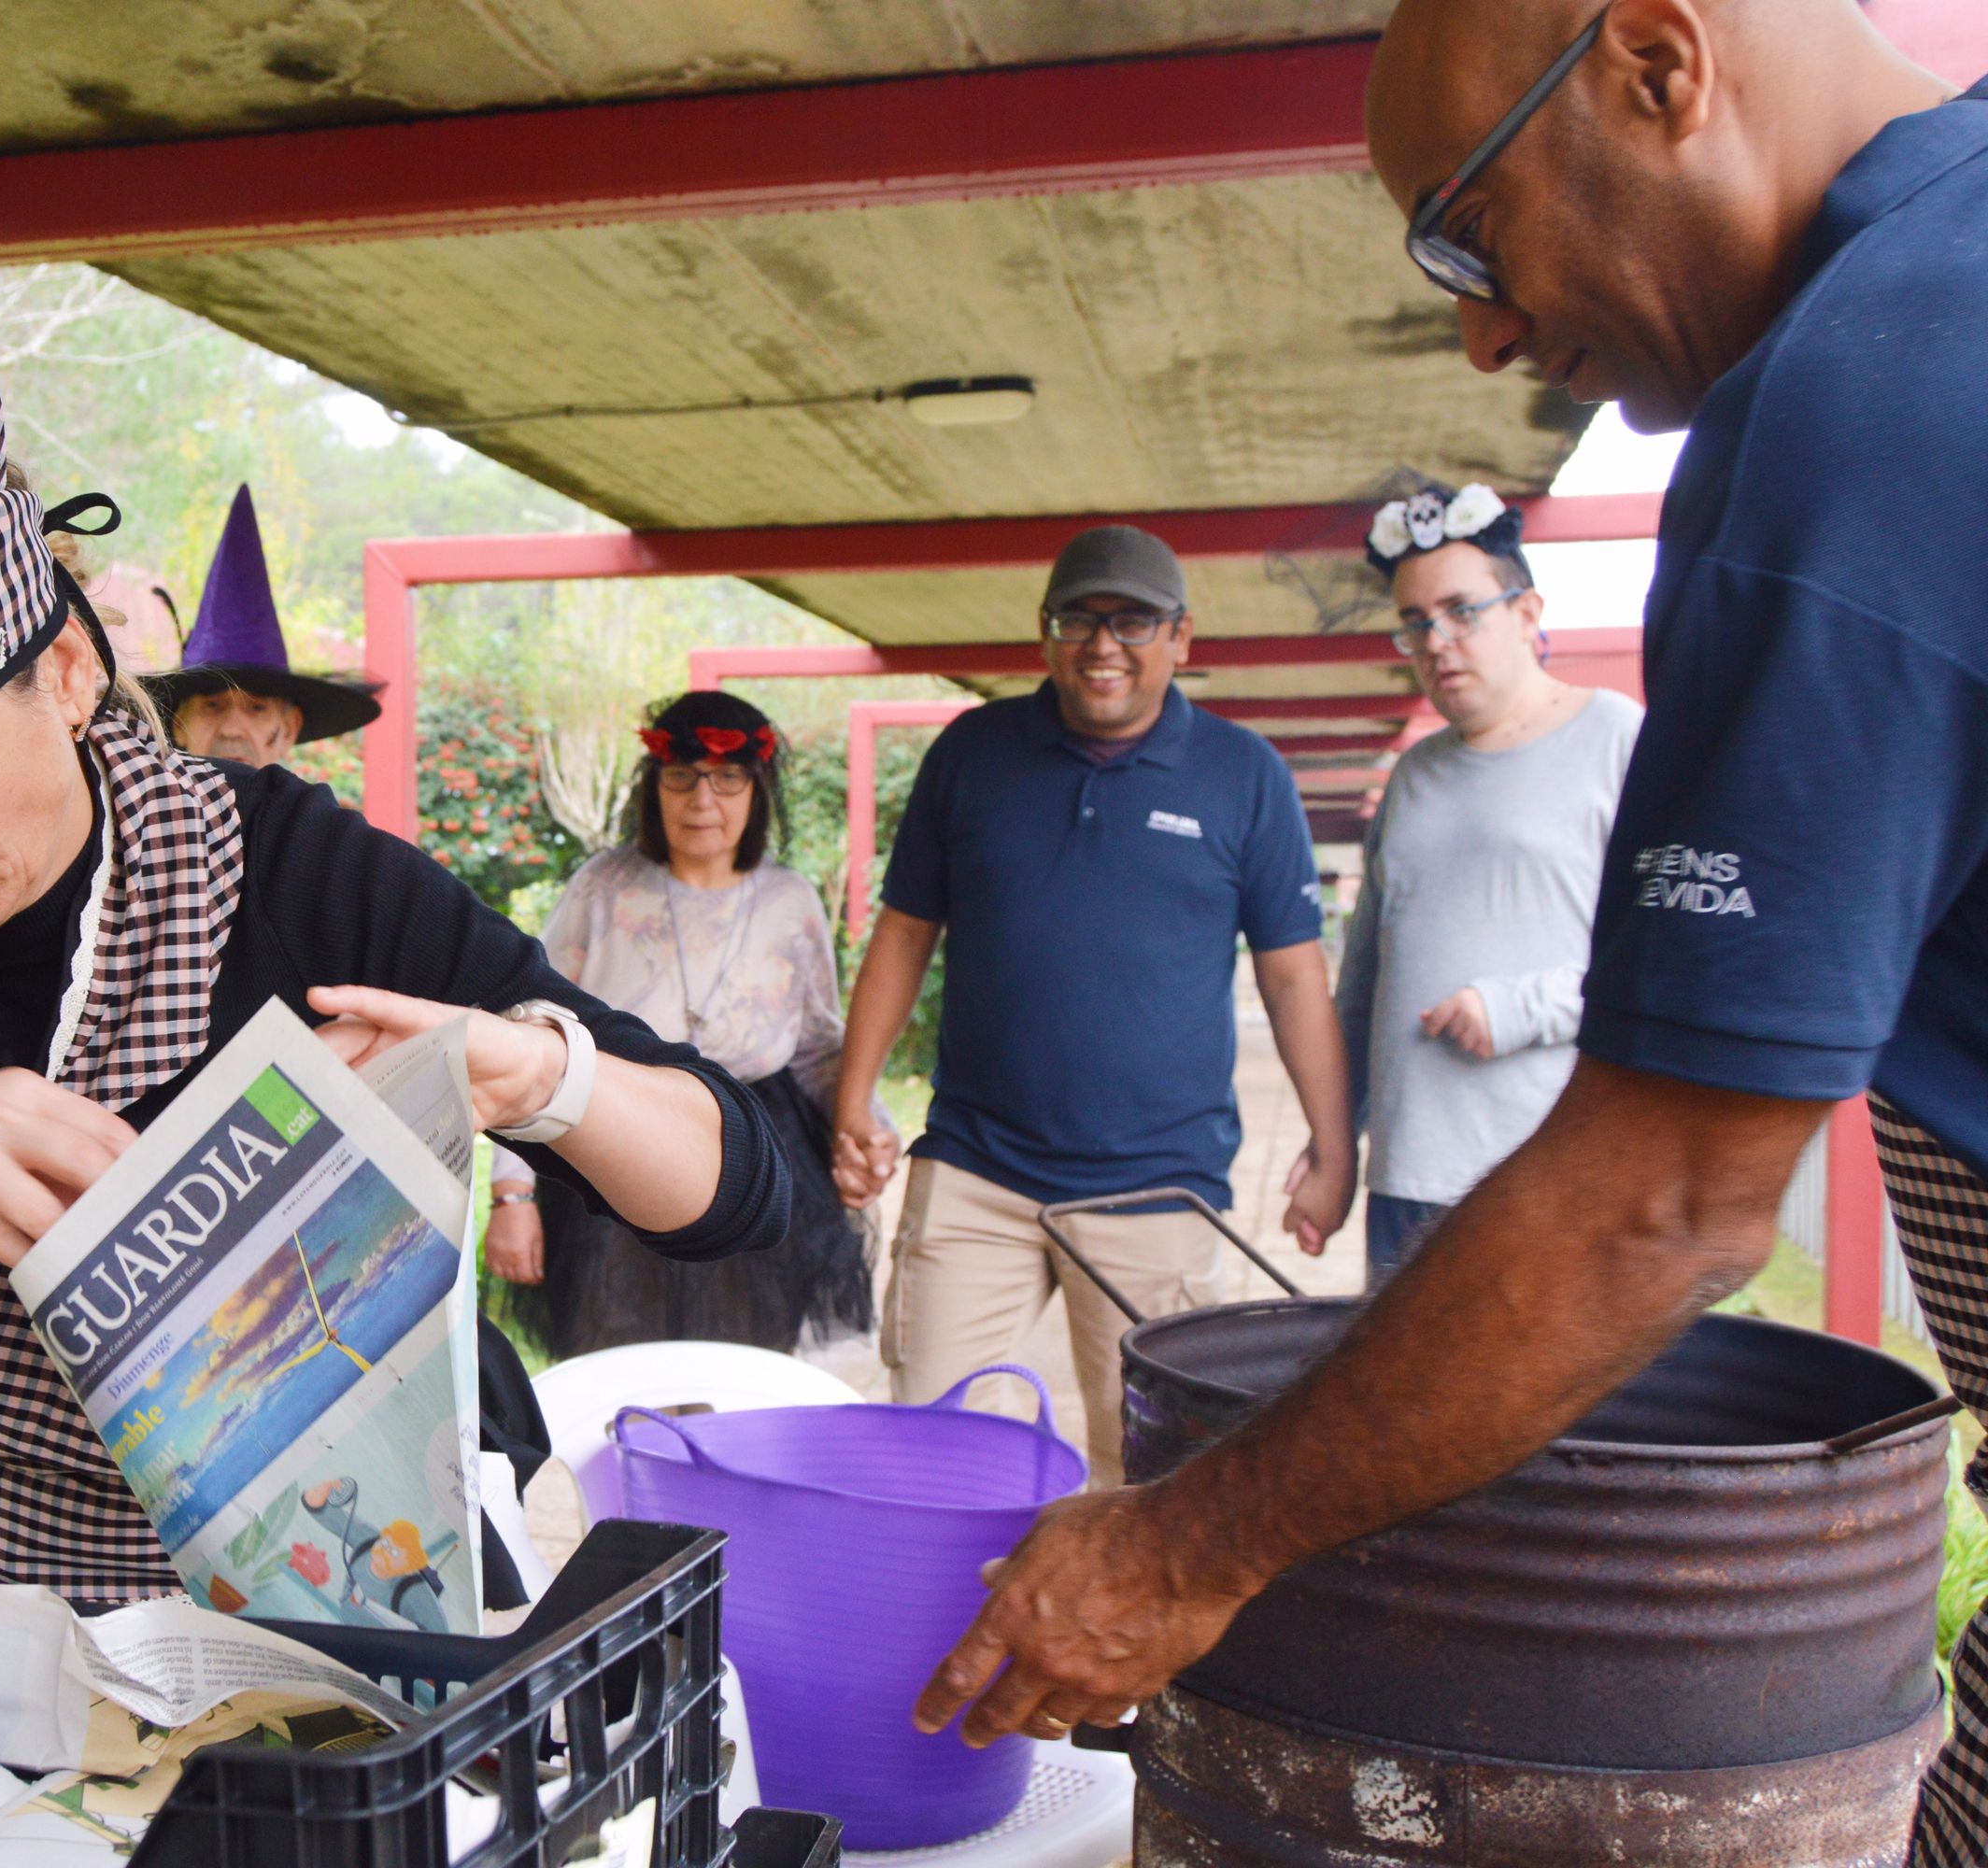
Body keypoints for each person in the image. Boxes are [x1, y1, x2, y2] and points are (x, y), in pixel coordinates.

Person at [911, 9, 1988, 1851]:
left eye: (1463, 234)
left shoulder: (1861, 393)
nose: (1483, 331)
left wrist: (1175, 1547)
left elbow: (1663, 1199)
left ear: (1654, 62)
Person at [0, 333, 787, 1605]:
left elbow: (740, 1183)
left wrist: (537, 1077)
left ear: (71, 674)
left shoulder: (289, 870)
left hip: (344, 1593)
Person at [832, 524, 1356, 1487]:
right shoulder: (973, 753)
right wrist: (853, 1093)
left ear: (1180, 637)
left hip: (1154, 1183)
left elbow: (1292, 976)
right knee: (930, 1448)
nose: (1101, 644)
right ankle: (950, 1635)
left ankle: (1121, 1646)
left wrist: (1333, 1145)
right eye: (1077, 617)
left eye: (1132, 621)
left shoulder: (1243, 777)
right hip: (975, 1170)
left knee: (1147, 1466)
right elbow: (904, 932)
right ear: (1045, 631)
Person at [484, 693, 876, 1356]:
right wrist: (512, 1195)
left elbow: (815, 1048)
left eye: (728, 779)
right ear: (654, 785)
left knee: (735, 1374)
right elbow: (533, 1034)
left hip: (756, 1151)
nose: (702, 800)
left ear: (759, 790)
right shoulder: (603, 888)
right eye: (682, 776)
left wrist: (865, 1126)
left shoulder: (791, 902)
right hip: (615, 1134)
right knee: (618, 1367)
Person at [1338, 481, 1640, 1280]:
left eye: (1461, 611)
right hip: (1404, 1185)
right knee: (1400, 1408)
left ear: (1528, 613)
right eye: (1414, 623)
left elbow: (1670, 960)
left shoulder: (1618, 740)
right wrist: (1334, 1146)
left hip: (1549, 1178)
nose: (1437, 641)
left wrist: (1520, 1009)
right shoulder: (1412, 776)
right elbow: (1364, 983)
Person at [140, 484, 380, 767]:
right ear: (178, 724)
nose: (231, 730)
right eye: (212, 705)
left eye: (257, 708)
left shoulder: (317, 813)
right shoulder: (138, 811)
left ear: (289, 728)